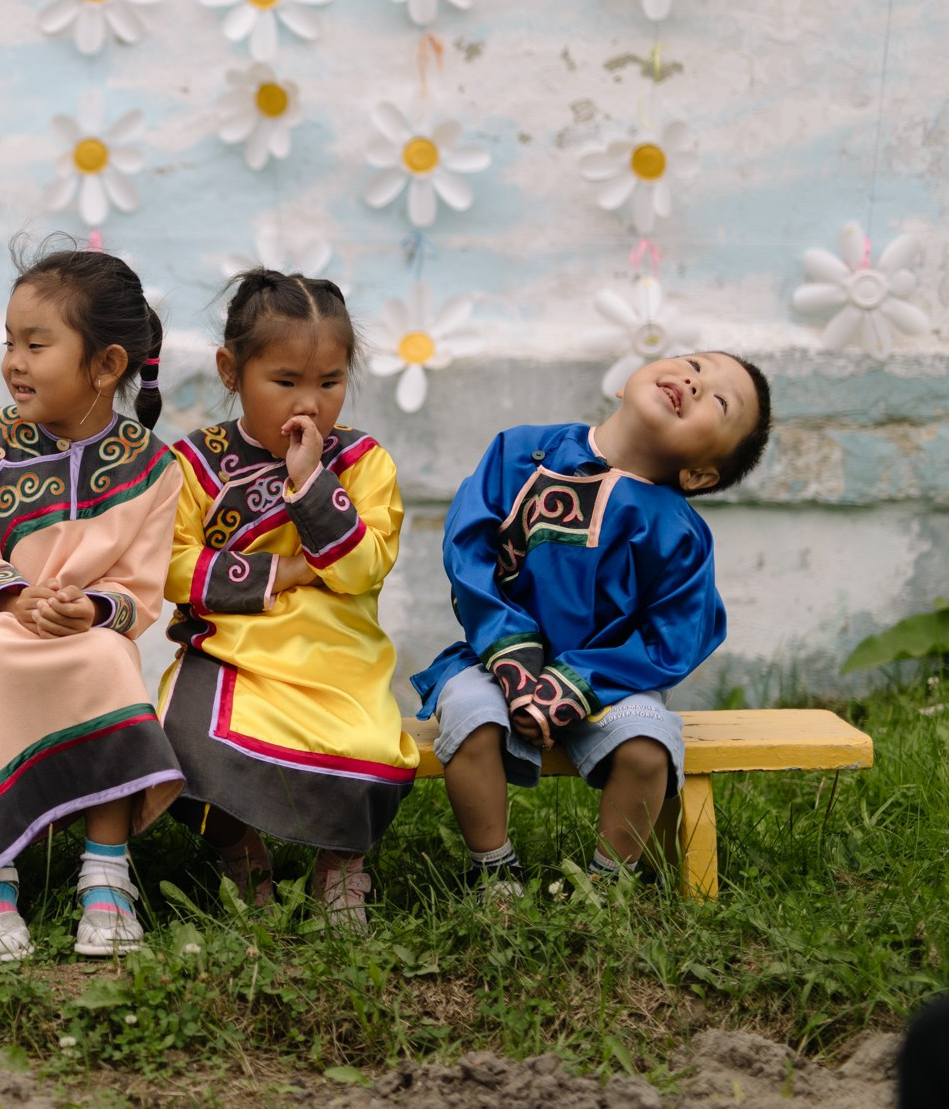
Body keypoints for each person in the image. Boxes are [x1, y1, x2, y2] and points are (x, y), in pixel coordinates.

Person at [411, 352, 773, 891]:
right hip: (495, 660)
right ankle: (493, 871)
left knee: (649, 747)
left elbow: (678, 634)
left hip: (607, 683)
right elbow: (468, 548)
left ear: (700, 474)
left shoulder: (679, 533)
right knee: (469, 718)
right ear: (627, 384)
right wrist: (513, 657)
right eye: (695, 363)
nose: (695, 382)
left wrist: (574, 684)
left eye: (720, 402)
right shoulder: (520, 453)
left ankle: (605, 885)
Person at [0, 243, 184, 962]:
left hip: (80, 631)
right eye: (10, 341)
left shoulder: (155, 470)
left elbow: (139, 590)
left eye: (36, 344)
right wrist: (12, 599)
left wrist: (90, 610)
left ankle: (105, 879)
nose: (14, 361)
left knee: (108, 658)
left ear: (106, 365)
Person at [159, 269, 414, 927]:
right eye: (286, 382)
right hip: (232, 651)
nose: (310, 404)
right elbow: (170, 565)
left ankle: (342, 864)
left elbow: (363, 568)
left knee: (367, 742)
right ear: (230, 370)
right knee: (181, 738)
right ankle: (241, 855)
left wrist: (309, 484)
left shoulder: (364, 464)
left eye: (330, 383)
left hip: (338, 653)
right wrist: (285, 574)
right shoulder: (194, 464)